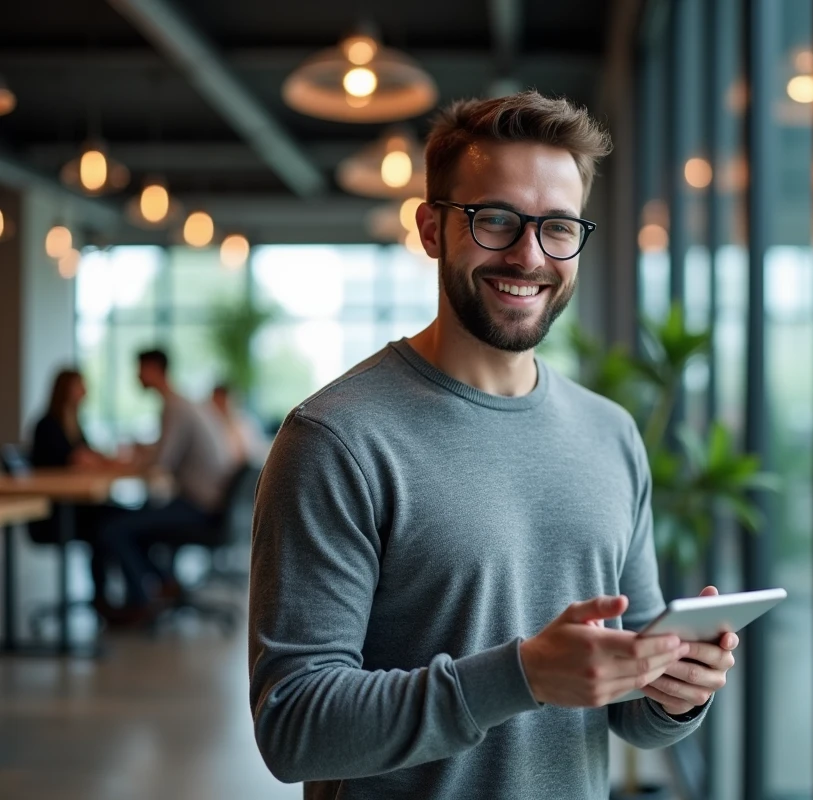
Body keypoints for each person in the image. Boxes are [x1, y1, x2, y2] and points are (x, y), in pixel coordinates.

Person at [249, 91, 739, 800]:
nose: (529, 255)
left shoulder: (612, 434)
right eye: (496, 219)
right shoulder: (337, 439)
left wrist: (675, 692)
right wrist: (522, 677)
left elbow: (632, 711)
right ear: (431, 228)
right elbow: (294, 727)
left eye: (558, 227)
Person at [97, 349, 237, 619]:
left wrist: (122, 462)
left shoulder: (175, 406)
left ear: (153, 369)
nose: (136, 376)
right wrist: (143, 452)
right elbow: (167, 452)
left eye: (139, 369)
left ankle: (142, 600)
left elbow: (162, 462)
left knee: (113, 528)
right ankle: (164, 582)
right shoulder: (187, 403)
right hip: (212, 504)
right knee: (130, 518)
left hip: (200, 508)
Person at [28, 368, 123, 607]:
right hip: (54, 513)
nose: (84, 391)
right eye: (79, 386)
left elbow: (86, 456)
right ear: (66, 390)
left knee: (116, 514)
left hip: (76, 506)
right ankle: (104, 598)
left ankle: (115, 594)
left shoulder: (75, 423)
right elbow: (67, 462)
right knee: (108, 522)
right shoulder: (47, 425)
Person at [209, 384, 270, 467]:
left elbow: (252, 451)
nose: (220, 406)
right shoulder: (209, 425)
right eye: (217, 402)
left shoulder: (243, 421)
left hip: (246, 466)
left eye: (223, 401)